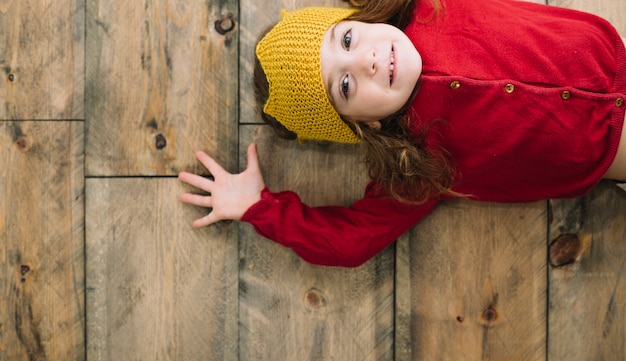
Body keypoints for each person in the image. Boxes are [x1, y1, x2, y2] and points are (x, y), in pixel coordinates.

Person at [178, 0, 626, 267]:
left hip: (612, 52)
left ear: (360, 19)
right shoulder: (415, 167)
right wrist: (259, 207)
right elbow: (350, 241)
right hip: (612, 147)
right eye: (346, 86)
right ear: (363, 126)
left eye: (347, 40)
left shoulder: (427, 9)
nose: (365, 61)